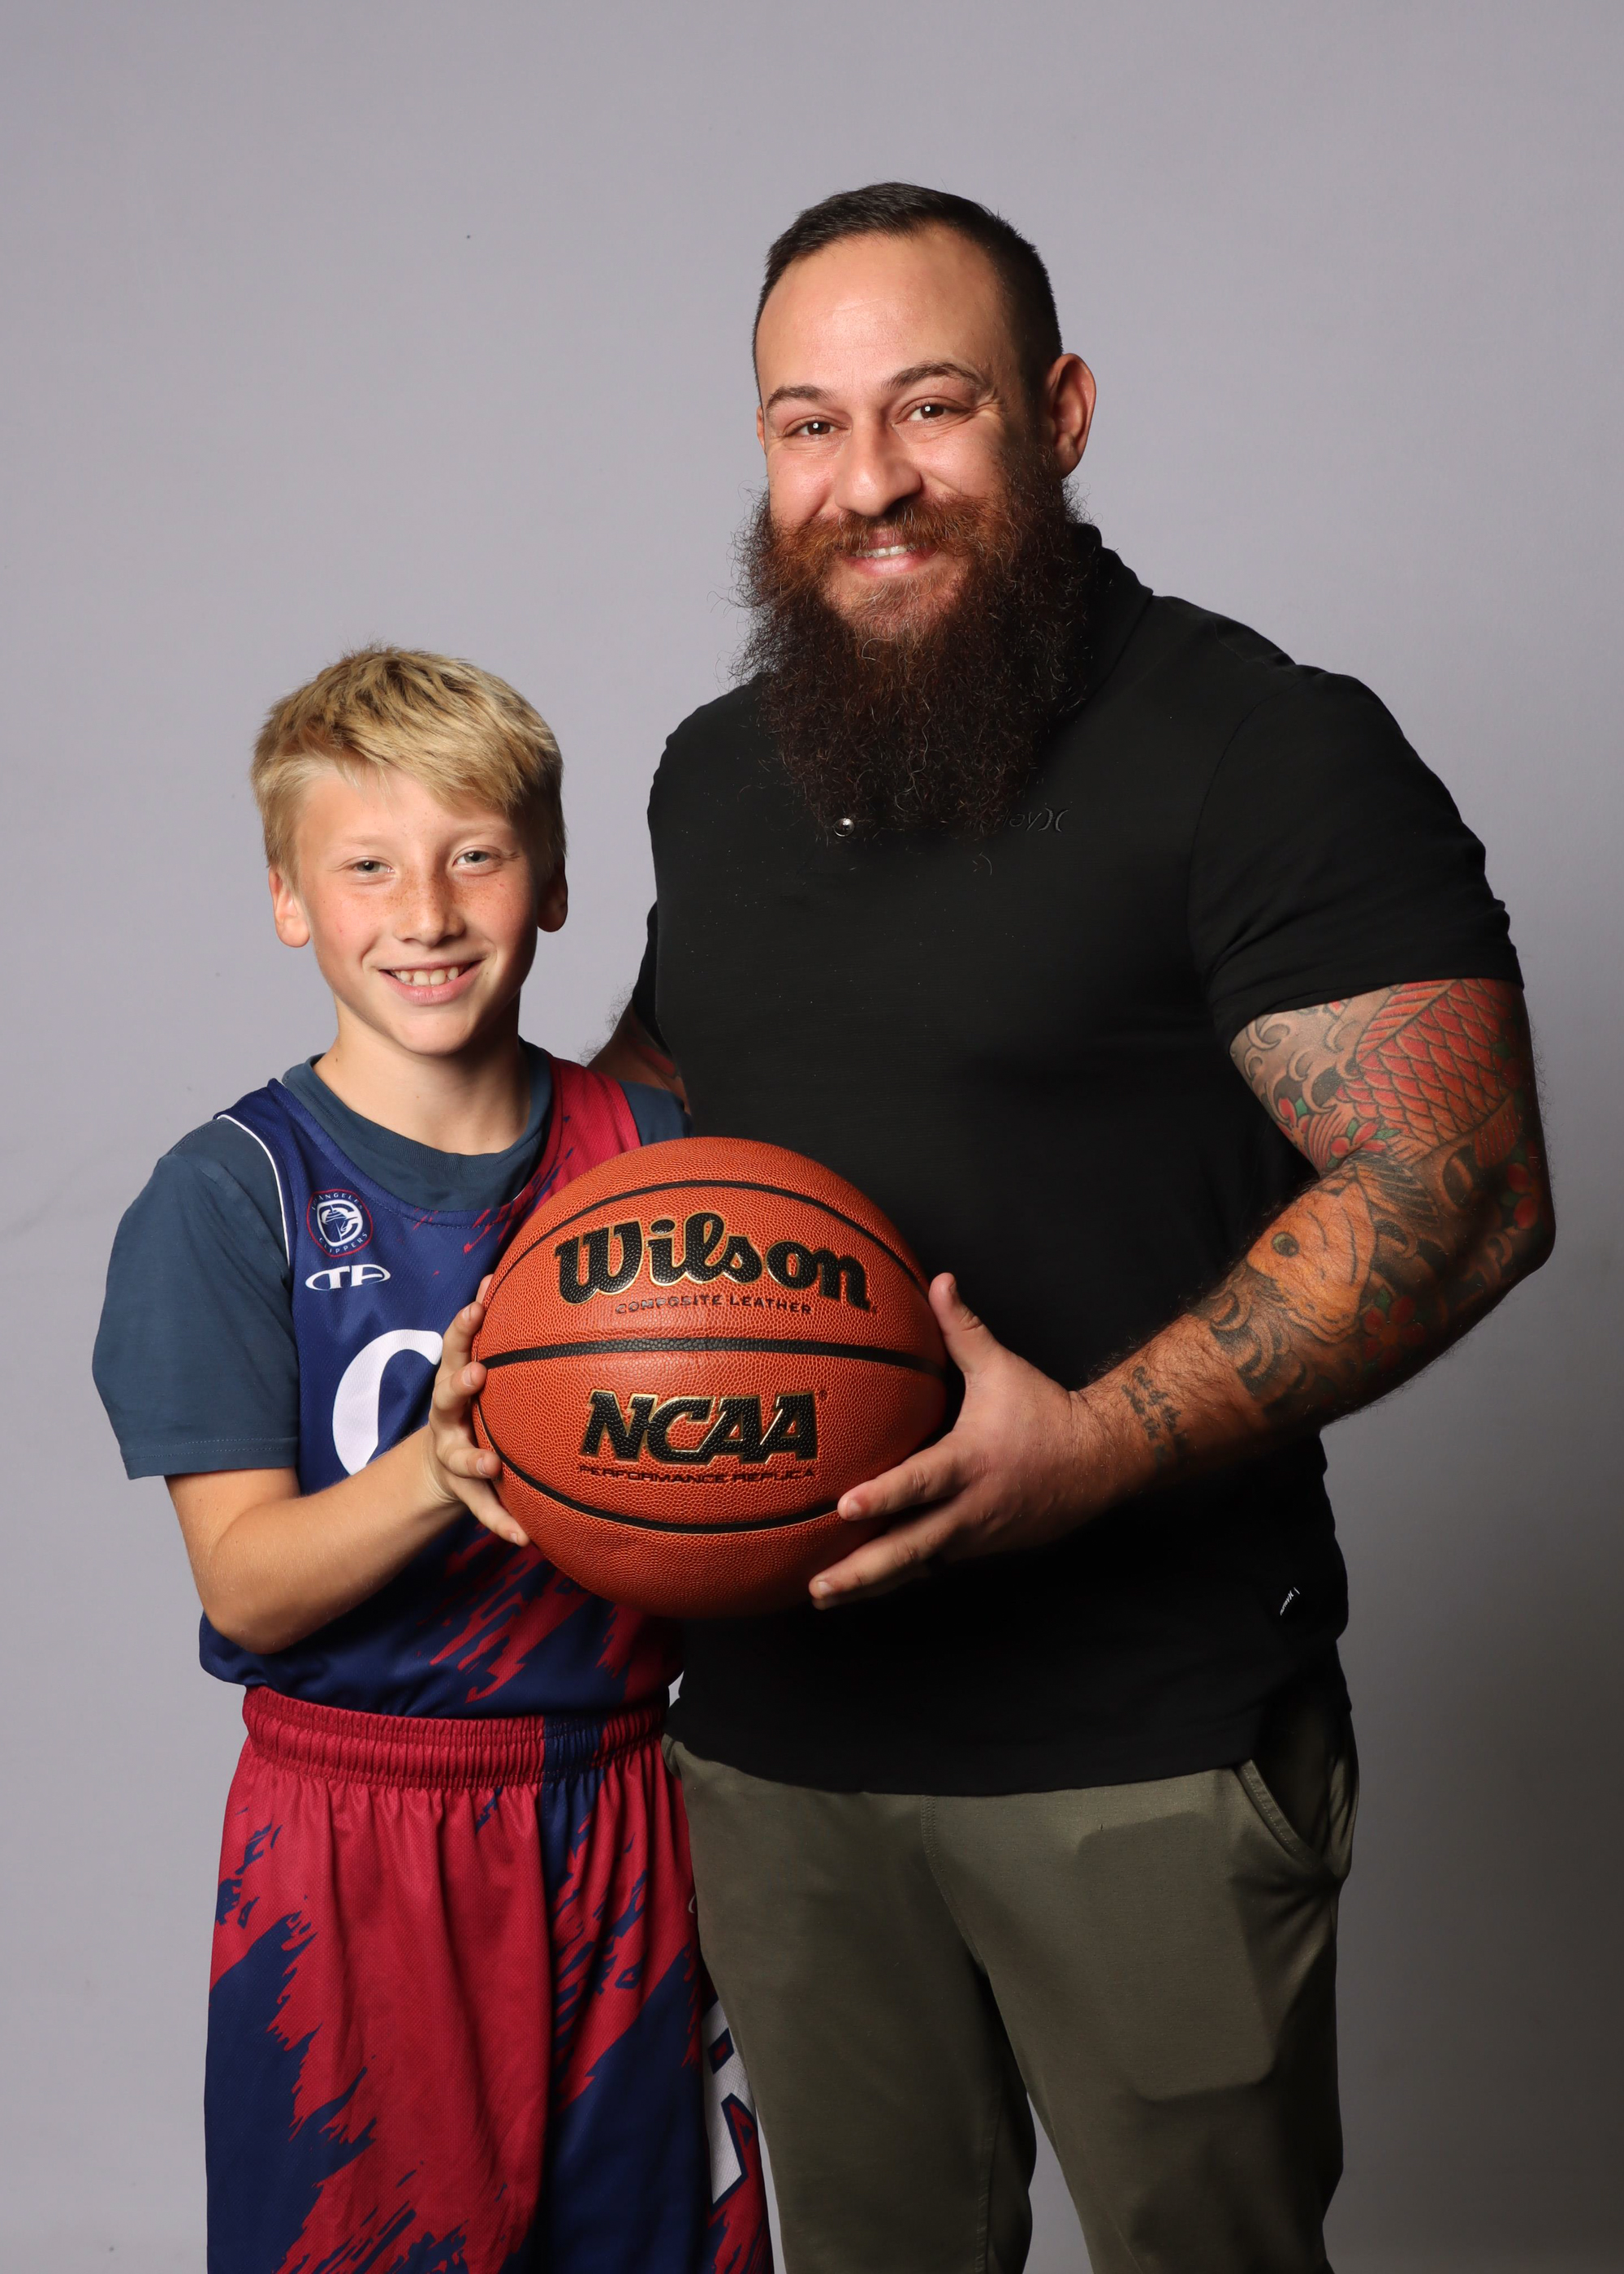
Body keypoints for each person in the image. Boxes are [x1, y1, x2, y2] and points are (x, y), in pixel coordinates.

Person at [593, 184, 1555, 2274]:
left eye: (930, 407)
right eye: (809, 424)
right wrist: (489, 1328)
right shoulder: (711, 779)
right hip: (776, 1740)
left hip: (1145, 1740)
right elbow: (643, 1149)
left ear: (1061, 411)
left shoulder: (1263, 748)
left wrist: (1095, 1445)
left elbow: (1460, 1185)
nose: (868, 480)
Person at [93, 650, 771, 2274]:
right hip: (360, 1833)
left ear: (552, 885)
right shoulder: (229, 1194)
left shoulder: (661, 1167)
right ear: (288, 900)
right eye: (368, 867)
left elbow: (750, 1493)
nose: (428, 912)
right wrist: (434, 1466)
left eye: (476, 855)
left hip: (630, 1802)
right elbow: (245, 1586)